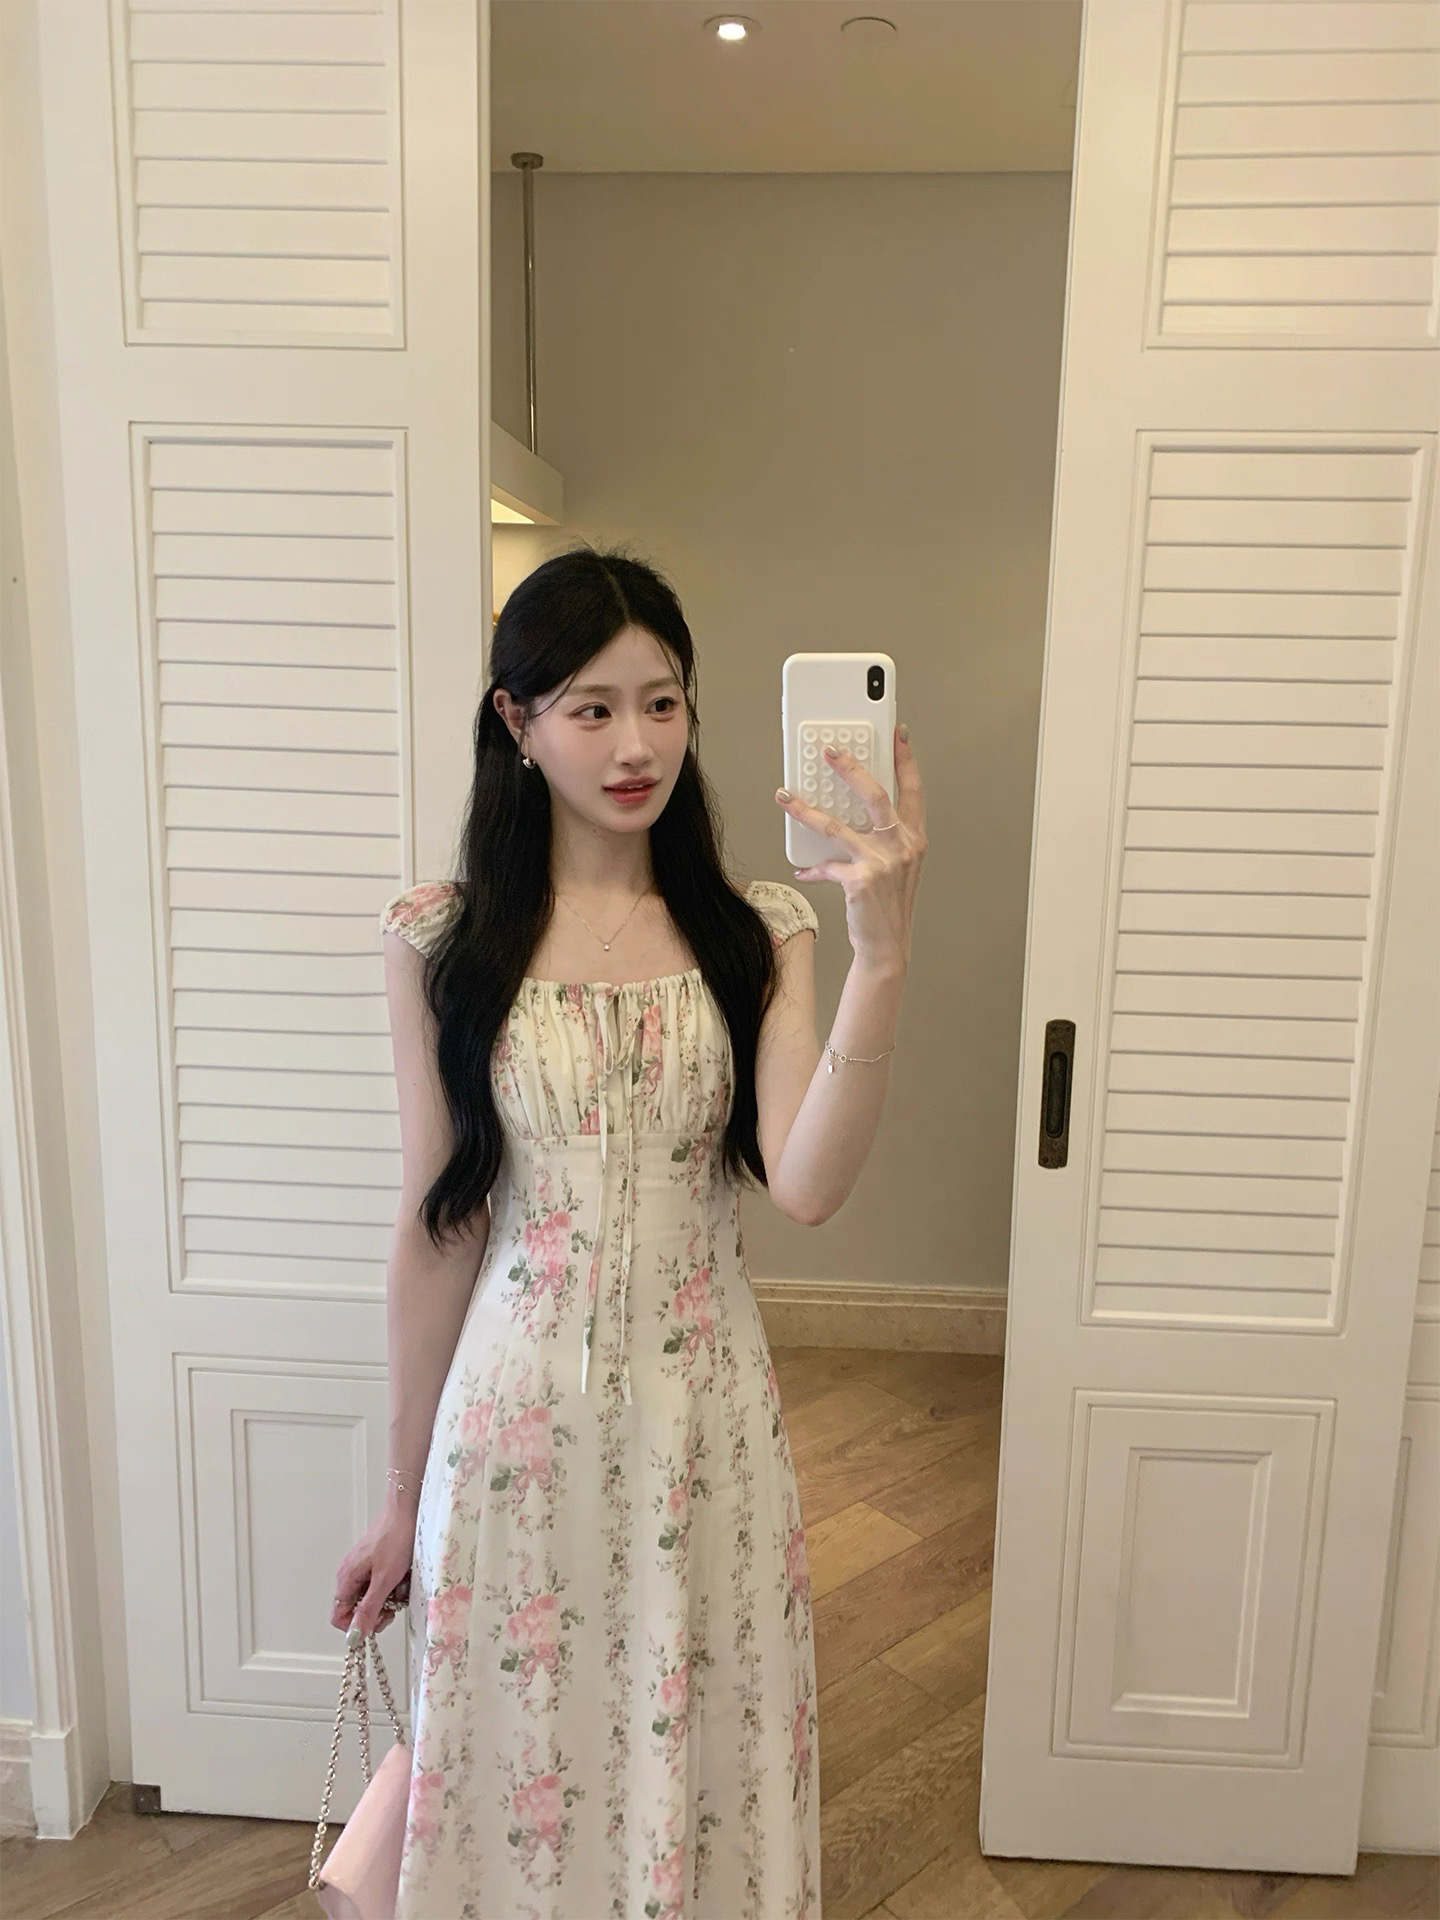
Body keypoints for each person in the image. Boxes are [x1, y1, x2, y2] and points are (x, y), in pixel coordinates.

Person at [330, 542, 925, 1918]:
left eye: (662, 702)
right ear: (517, 722)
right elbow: (440, 1223)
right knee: (515, 1768)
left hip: (703, 1429)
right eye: (591, 708)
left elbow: (808, 1186)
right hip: (510, 1429)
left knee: (694, 1759)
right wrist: (400, 1494)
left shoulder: (755, 930)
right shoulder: (443, 941)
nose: (636, 744)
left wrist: (883, 958)